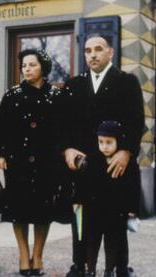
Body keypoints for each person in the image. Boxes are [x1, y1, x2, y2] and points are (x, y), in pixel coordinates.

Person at [63, 34, 144, 277]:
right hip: (84, 164)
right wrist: (67, 148)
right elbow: (64, 124)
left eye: (98, 49)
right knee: (82, 219)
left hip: (114, 162)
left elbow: (136, 121)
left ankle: (119, 267)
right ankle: (80, 265)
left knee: (115, 220)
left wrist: (127, 151)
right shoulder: (74, 85)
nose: (92, 55)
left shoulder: (127, 82)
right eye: (88, 51)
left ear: (110, 52)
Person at [0, 49, 66, 276]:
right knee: (19, 210)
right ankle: (24, 254)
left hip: (47, 162)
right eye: (24, 65)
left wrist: (61, 155)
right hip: (18, 162)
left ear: (43, 67)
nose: (27, 69)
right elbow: (0, 128)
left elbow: (63, 130)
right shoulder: (12, 95)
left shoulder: (56, 95)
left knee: (43, 211)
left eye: (32, 64)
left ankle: (38, 255)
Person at [73, 120, 141, 277]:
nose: (104, 146)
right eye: (101, 142)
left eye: (109, 142)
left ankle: (109, 271)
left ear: (118, 141)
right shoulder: (92, 160)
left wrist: (132, 209)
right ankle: (90, 270)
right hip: (93, 210)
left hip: (116, 212)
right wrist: (77, 200)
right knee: (92, 242)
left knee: (113, 243)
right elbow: (82, 182)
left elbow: (134, 187)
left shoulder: (128, 163)